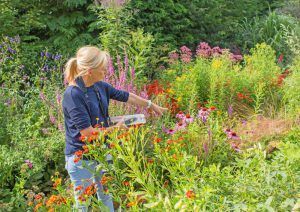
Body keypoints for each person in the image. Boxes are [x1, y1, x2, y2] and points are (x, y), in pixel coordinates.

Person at [62, 46, 167, 211]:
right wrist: (115, 129)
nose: (106, 69)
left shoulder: (99, 86)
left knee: (106, 196)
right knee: (83, 205)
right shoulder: (73, 95)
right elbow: (87, 134)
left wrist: (150, 105)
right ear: (90, 71)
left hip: (102, 152)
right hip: (81, 159)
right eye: (102, 67)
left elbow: (126, 96)